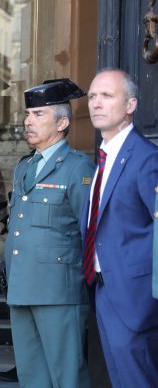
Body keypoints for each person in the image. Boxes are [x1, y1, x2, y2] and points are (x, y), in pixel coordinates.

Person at [3, 78, 93, 387]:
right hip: (22, 286)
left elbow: (90, 230)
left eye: (38, 114)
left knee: (67, 376)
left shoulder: (77, 168)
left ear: (62, 123)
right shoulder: (24, 167)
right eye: (28, 114)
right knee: (31, 377)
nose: (28, 121)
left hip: (58, 291)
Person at [82, 68, 158, 387]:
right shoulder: (102, 157)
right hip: (103, 289)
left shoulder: (146, 158)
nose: (96, 103)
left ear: (130, 105)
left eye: (107, 96)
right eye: (92, 96)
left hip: (135, 298)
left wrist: (149, 297)